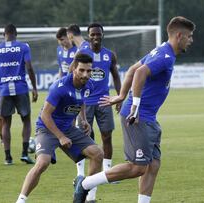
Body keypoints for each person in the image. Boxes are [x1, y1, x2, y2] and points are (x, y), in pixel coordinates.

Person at [73, 16, 195, 203]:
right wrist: (135, 105)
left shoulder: (161, 50)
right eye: (189, 36)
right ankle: (85, 184)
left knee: (153, 164)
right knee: (137, 167)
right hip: (139, 116)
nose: (191, 40)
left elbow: (131, 69)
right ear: (179, 35)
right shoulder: (166, 56)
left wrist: (122, 95)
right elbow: (139, 72)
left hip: (148, 117)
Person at [15, 52, 104, 203]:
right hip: (47, 128)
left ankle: (84, 193)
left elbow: (81, 101)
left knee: (97, 154)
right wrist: (60, 136)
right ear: (74, 69)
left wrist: (83, 119)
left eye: (89, 70)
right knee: (43, 163)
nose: (85, 74)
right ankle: (21, 200)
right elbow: (45, 115)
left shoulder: (88, 84)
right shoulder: (60, 87)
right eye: (81, 70)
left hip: (68, 129)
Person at [77, 23, 122, 202]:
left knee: (107, 137)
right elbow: (73, 73)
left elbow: (116, 76)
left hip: (104, 101)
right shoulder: (82, 54)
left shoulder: (109, 55)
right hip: (85, 102)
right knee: (84, 139)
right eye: (92, 34)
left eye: (98, 34)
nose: (96, 37)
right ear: (88, 36)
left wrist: (119, 96)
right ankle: (80, 174)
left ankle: (107, 171)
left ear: (102, 35)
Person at [0, 24, 38, 165]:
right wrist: (34, 88)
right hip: (21, 88)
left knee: (6, 123)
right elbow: (29, 67)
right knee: (26, 120)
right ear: (16, 34)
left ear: (3, 34)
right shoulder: (23, 47)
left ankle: (8, 157)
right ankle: (24, 154)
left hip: (4, 90)